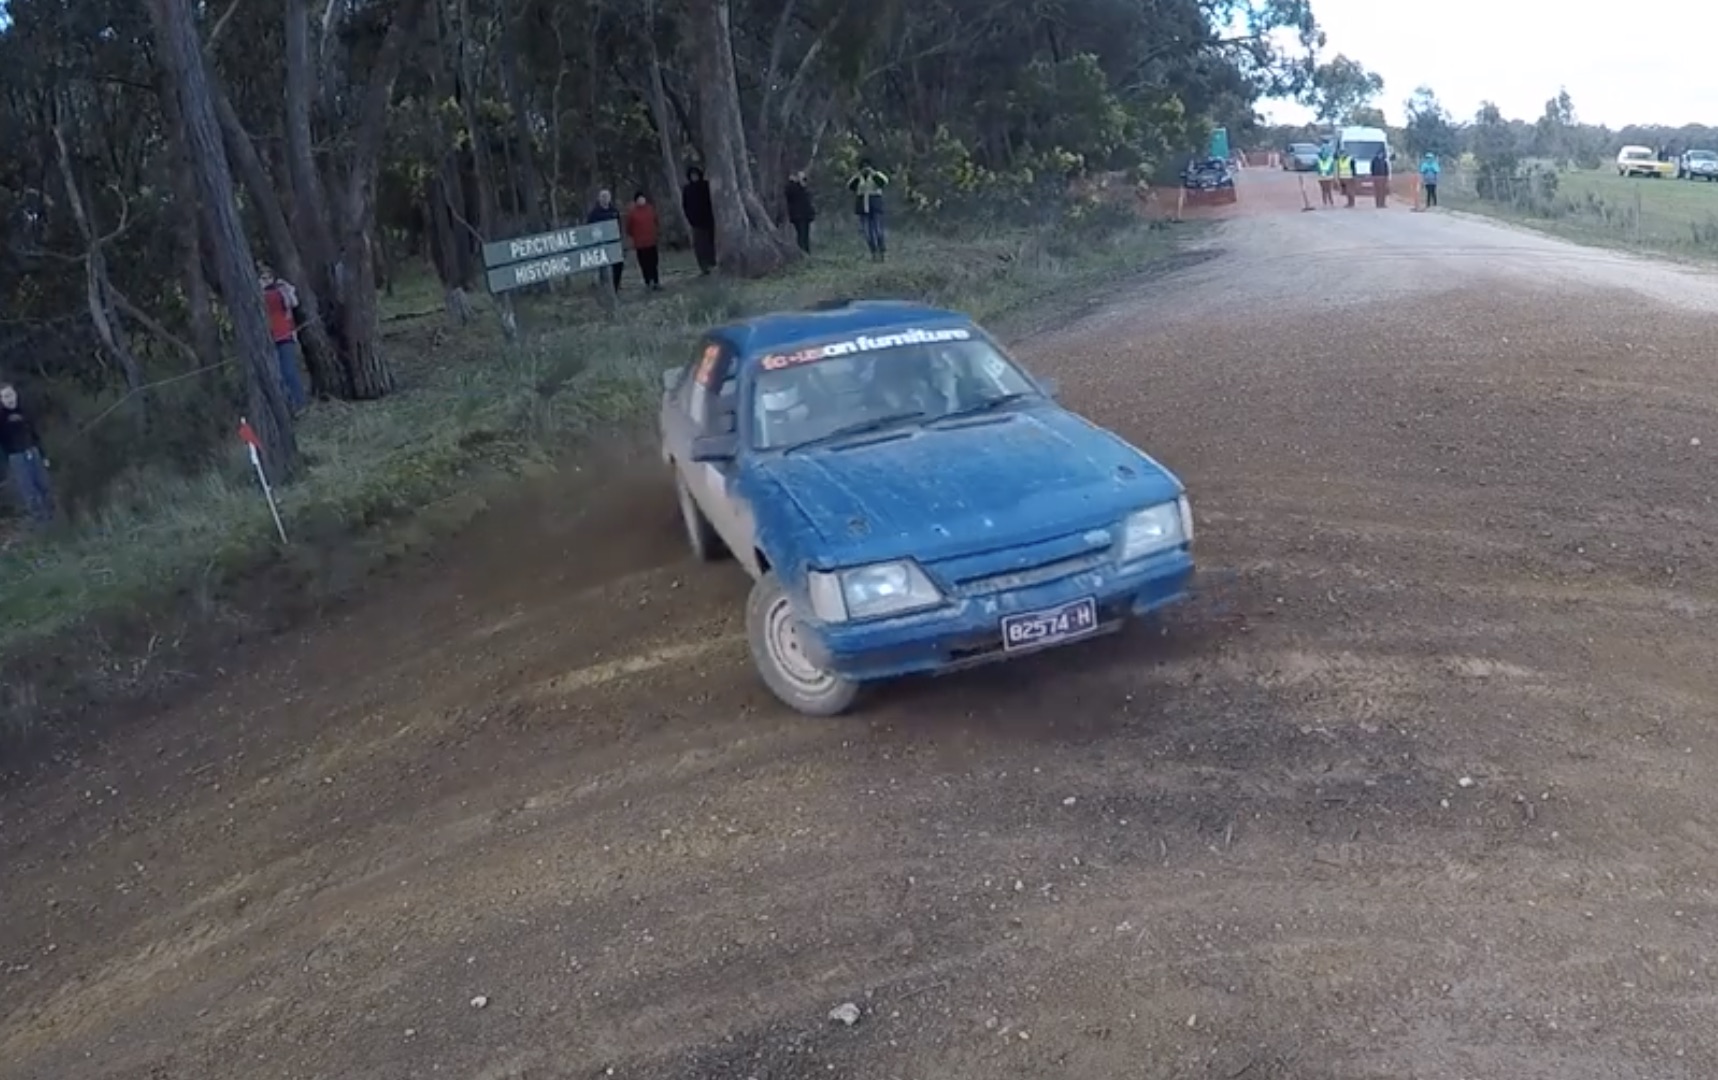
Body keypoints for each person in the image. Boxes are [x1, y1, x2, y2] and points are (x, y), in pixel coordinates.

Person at [258, 263, 308, 412]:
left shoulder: (281, 290)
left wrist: (286, 289)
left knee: (289, 371)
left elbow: (293, 303)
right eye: (262, 277)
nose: (266, 280)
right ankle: (288, 406)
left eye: (268, 277)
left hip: (285, 335)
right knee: (277, 375)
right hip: (269, 340)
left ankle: (300, 403)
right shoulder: (257, 295)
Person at [0, 382, 53, 525]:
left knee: (45, 486)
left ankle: (53, 518)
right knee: (29, 491)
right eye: (5, 396)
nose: (9, 399)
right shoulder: (1, 417)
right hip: (16, 457)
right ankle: (40, 522)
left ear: (15, 394)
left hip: (33, 452)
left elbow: (35, 435)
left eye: (11, 395)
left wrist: (43, 455)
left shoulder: (25, 411)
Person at [846, 159, 889, 261]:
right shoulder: (858, 177)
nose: (865, 169)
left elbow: (883, 183)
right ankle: (873, 252)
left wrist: (873, 173)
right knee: (867, 232)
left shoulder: (877, 175)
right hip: (863, 207)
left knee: (878, 231)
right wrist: (857, 175)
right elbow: (850, 186)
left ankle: (882, 251)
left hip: (875, 205)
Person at [680, 166, 716, 274]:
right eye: (692, 175)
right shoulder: (687, 189)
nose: (694, 177)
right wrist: (690, 218)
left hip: (709, 220)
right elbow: (685, 205)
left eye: (695, 174)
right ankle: (703, 266)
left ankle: (713, 263)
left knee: (710, 244)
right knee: (700, 246)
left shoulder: (705, 186)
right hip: (696, 222)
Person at [586, 189, 624, 289]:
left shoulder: (614, 211)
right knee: (603, 266)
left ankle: (616, 284)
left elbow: (619, 225)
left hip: (614, 242)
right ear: (599, 198)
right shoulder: (594, 213)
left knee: (618, 264)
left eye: (607, 196)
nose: (605, 199)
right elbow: (589, 227)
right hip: (601, 243)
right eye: (603, 196)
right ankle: (604, 285)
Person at [625, 191, 661, 290]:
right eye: (639, 199)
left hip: (651, 241)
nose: (641, 200)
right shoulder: (632, 213)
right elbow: (629, 227)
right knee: (644, 263)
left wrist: (656, 232)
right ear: (636, 201)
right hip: (640, 243)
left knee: (654, 262)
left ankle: (656, 281)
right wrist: (634, 236)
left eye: (642, 198)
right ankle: (648, 282)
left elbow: (656, 221)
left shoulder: (650, 209)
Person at [785, 170, 816, 254]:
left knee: (805, 234)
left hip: (806, 214)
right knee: (801, 234)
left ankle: (806, 251)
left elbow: (808, 196)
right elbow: (789, 194)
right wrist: (794, 182)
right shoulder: (791, 187)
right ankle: (802, 251)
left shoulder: (804, 187)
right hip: (798, 215)